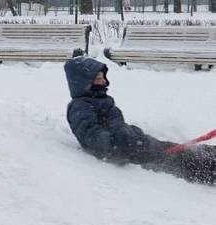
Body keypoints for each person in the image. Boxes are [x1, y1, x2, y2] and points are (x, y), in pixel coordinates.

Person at [64, 56, 216, 184]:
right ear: (84, 82)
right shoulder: (80, 108)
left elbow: (115, 124)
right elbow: (92, 138)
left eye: (103, 76)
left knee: (181, 149)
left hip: (136, 142)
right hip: (132, 151)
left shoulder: (100, 99)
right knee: (182, 160)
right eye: (98, 78)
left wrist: (129, 132)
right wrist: (118, 140)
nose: (103, 81)